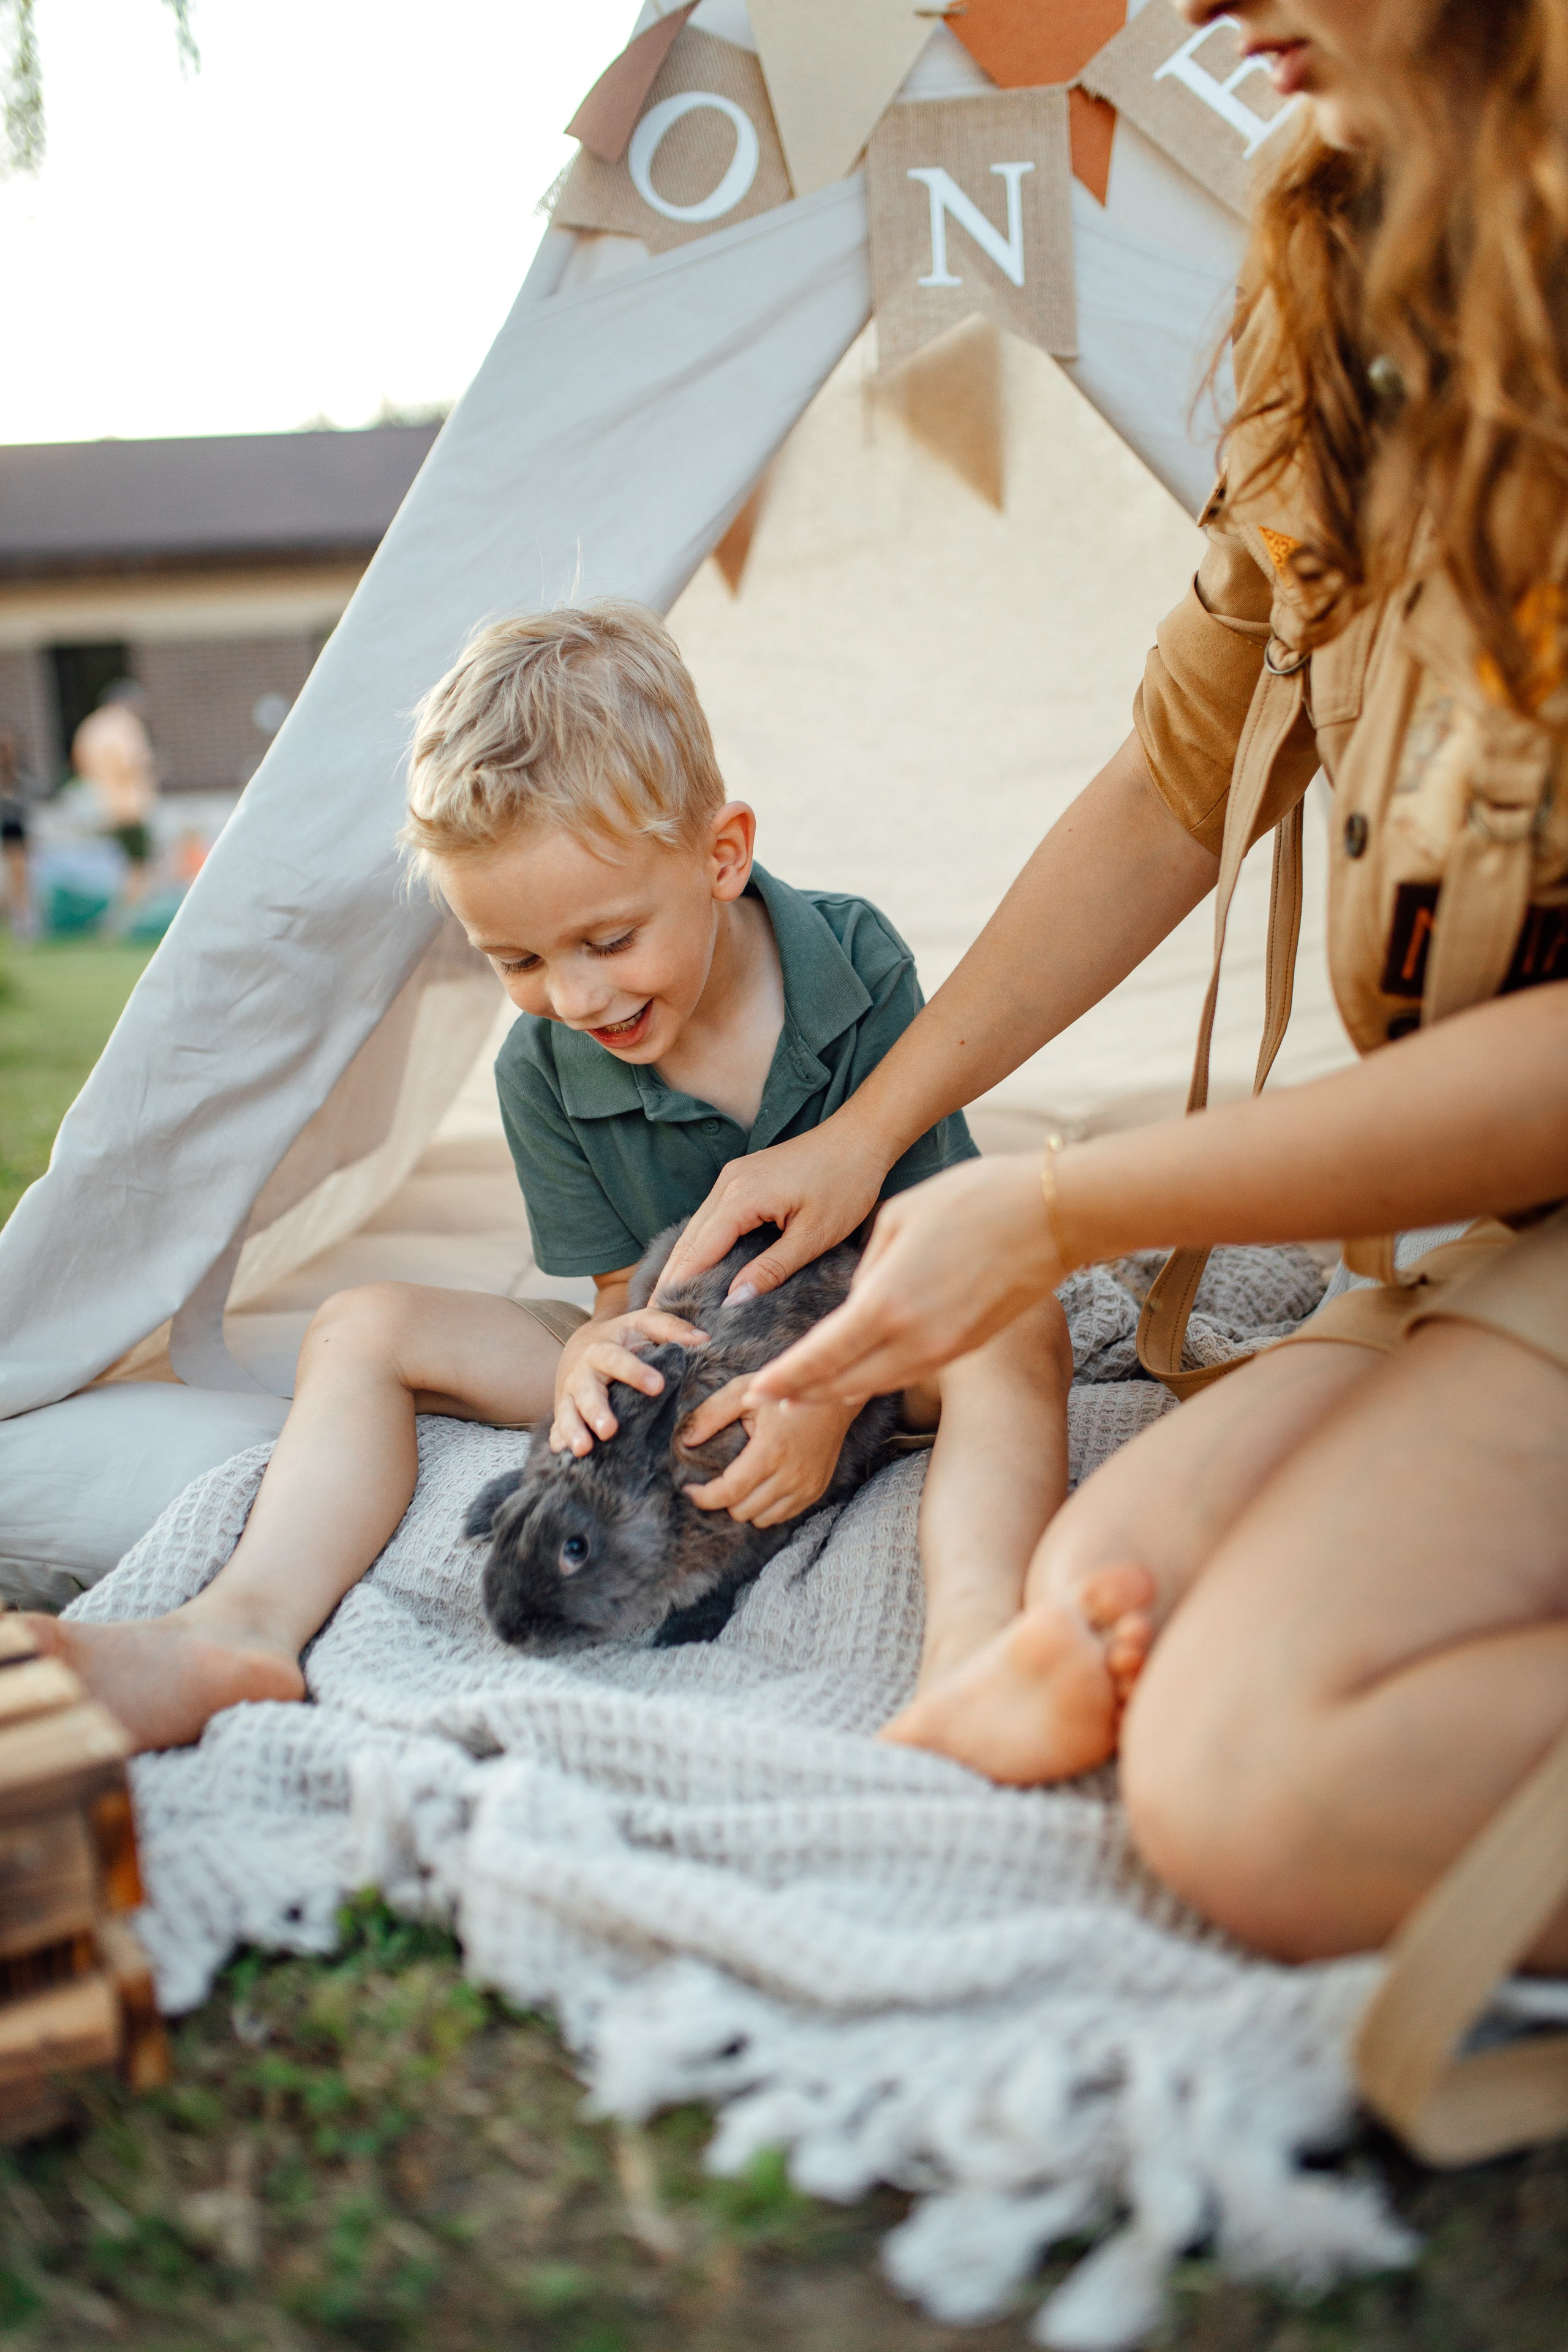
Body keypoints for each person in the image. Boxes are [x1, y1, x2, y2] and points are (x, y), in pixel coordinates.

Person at [655, 0, 1568, 1972]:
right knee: (1102, 1580)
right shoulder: (1345, 263)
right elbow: (1180, 775)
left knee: (1257, 1783)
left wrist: (1059, 1204)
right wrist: (868, 1133)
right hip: (1515, 1227)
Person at [34, 606, 1071, 1751]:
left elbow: (943, 1251)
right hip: (685, 1359)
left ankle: (972, 1652)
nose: (576, 998)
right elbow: (625, 1300)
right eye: (518, 961)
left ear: (721, 856)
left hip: (883, 1334)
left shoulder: (853, 965)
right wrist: (591, 1351)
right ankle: (242, 1625)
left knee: (1017, 1326)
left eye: (610, 941)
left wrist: (827, 1393)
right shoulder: (546, 1063)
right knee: (362, 1324)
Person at [72, 680, 159, 905]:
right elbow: (132, 762)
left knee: (113, 865)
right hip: (129, 807)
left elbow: (80, 763)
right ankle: (132, 913)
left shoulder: (90, 727)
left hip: (100, 804)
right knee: (139, 863)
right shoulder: (126, 725)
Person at [0, 729, 37, 934]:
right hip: (5, 831)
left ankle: (24, 922)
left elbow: (26, 801)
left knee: (22, 876)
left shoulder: (18, 777)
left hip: (17, 832)